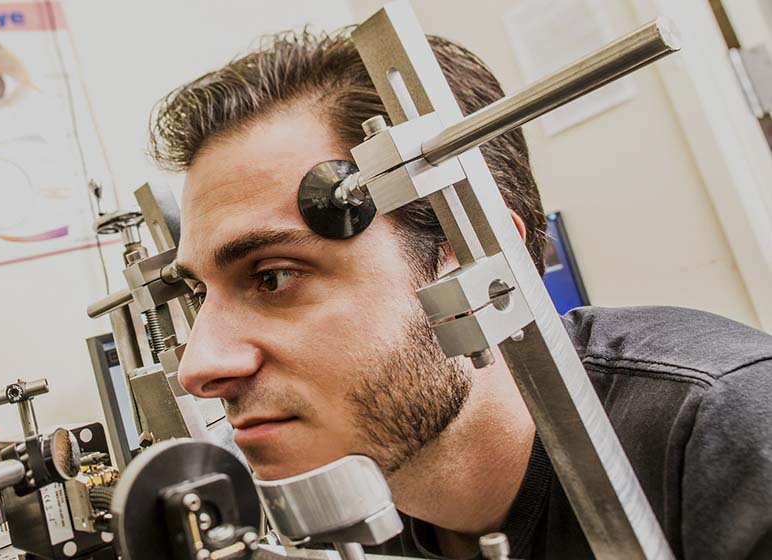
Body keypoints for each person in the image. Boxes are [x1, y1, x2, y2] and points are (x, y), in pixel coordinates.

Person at [151, 28, 772, 559]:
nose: (200, 367)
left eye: (272, 277)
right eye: (200, 293)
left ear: (475, 256)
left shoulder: (731, 429)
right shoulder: (346, 501)